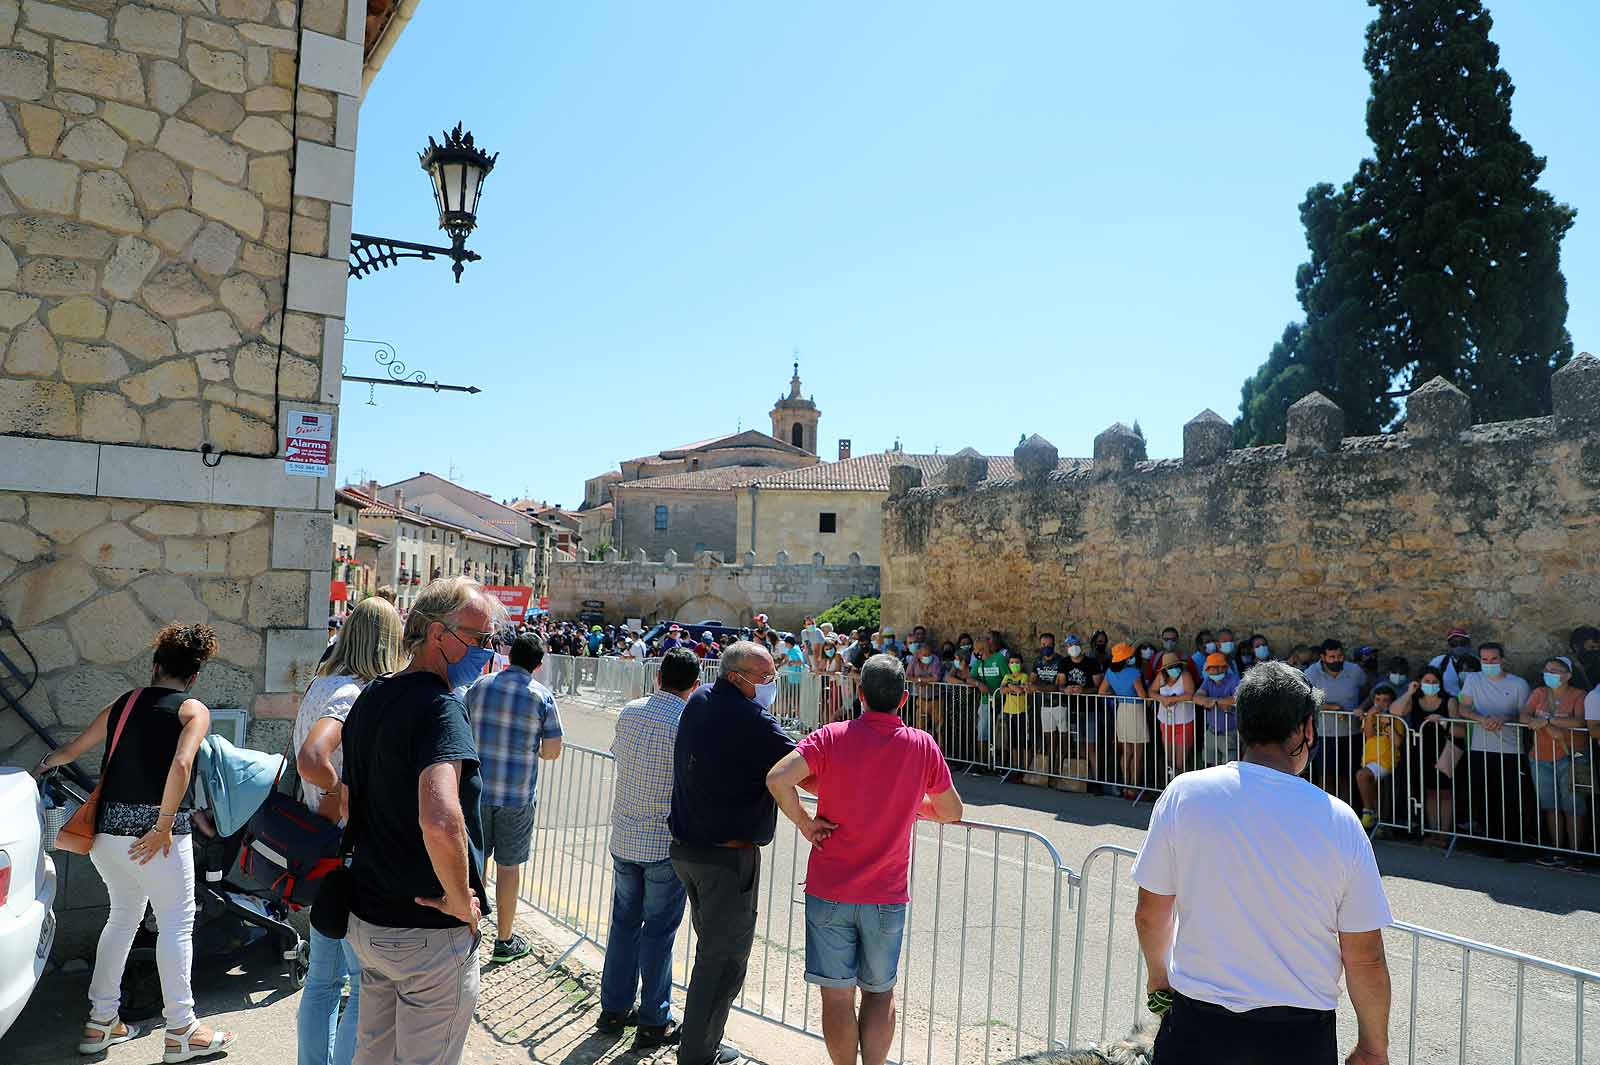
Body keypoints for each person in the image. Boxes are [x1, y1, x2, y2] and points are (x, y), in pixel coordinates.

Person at [1132, 661, 1393, 1065]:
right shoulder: (1340, 819)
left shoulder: (1184, 794)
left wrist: (1158, 980)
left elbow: (1151, 914)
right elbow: (1365, 956)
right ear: (1307, 730)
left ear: (1242, 723)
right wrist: (1374, 1048)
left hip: (1196, 1022)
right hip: (1296, 1033)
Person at [34, 624, 237, 1062]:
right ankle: (182, 1028)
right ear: (194, 675)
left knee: (122, 918)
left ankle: (101, 1021)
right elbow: (182, 764)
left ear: (156, 665)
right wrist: (164, 824)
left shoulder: (124, 703)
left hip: (107, 835)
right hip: (157, 839)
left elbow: (72, 750)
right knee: (177, 924)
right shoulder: (192, 710)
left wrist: (41, 767)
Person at [766, 654, 963, 1065]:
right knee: (880, 992)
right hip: (886, 895)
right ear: (904, 699)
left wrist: (804, 822)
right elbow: (951, 810)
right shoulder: (921, 745)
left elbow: (778, 778)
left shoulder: (831, 737)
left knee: (837, 998)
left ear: (859, 695)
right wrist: (914, 806)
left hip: (830, 888)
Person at [341, 577, 500, 1065]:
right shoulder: (441, 707)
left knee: (373, 1055)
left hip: (370, 917)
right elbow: (441, 819)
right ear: (437, 635)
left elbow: (349, 801)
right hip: (427, 931)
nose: (486, 652)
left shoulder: (373, 695)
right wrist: (459, 901)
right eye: (478, 640)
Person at [669, 641, 798, 1065]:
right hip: (725, 858)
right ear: (736, 676)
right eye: (763, 678)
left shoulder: (701, 699)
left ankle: (699, 1041)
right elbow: (804, 763)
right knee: (722, 962)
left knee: (711, 952)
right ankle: (698, 1053)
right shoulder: (750, 718)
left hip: (690, 851)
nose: (769, 685)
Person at [295, 597, 405, 1065]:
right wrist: (338, 790)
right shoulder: (352, 695)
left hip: (322, 846)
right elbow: (313, 758)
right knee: (363, 982)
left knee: (322, 979)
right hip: (347, 847)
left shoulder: (321, 685)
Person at [599, 648, 700, 1049]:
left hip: (625, 835)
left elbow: (618, 757)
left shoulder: (629, 711)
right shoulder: (687, 722)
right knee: (658, 931)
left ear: (658, 676)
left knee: (623, 924)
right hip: (662, 841)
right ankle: (654, 1017)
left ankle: (614, 1007)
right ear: (694, 687)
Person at [462, 631, 564, 964]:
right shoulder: (541, 696)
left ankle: (467, 930)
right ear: (539, 663)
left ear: (509, 654)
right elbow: (552, 752)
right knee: (509, 867)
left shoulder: (480, 686)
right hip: (516, 796)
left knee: (475, 865)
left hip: (476, 792)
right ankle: (504, 940)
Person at [1457, 641, 1531, 856]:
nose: (1489, 663)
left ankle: (1514, 845)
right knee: (1484, 796)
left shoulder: (1519, 684)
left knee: (1511, 798)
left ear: (1503, 659)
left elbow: (1523, 715)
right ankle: (1491, 844)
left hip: (1511, 750)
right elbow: (1464, 706)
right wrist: (1481, 719)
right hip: (1480, 747)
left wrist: (1504, 719)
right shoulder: (1472, 679)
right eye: (1485, 660)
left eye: (1494, 659)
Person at [1520, 657, 1588, 866]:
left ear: (1568, 675)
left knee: (1574, 806)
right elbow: (1524, 715)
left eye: (1556, 670)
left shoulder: (1579, 695)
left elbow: (1579, 720)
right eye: (1547, 669)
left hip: (1572, 757)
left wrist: (1547, 720)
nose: (1550, 673)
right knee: (1550, 805)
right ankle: (1555, 849)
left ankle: (1575, 852)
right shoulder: (1539, 693)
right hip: (1540, 757)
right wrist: (1545, 726)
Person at [1302, 639, 1367, 806]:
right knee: (1326, 775)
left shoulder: (1354, 671)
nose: (1337, 660)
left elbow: (1368, 692)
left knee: (1347, 775)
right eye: (1332, 657)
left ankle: (1347, 811)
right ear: (1323, 657)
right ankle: (1327, 810)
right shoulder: (1311, 673)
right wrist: (1331, 707)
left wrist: (1361, 707)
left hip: (1351, 733)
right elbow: (1304, 699)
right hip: (1324, 734)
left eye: (1339, 656)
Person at [1354, 685, 1405, 836]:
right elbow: (1368, 735)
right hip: (1370, 758)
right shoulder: (1371, 715)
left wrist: (1387, 723)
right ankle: (1381, 824)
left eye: (1385, 701)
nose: (1380, 704)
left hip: (1386, 759)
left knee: (1362, 776)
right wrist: (1369, 717)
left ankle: (1368, 812)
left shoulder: (1395, 717)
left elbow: (1397, 742)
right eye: (1377, 700)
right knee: (1377, 790)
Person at [1101, 642, 1149, 799]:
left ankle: (1125, 785)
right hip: (1136, 709)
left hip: (1121, 708)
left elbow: (1102, 692)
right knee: (1138, 752)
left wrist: (1117, 695)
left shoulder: (1109, 672)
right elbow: (1142, 694)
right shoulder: (1133, 672)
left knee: (1126, 751)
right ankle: (1134, 788)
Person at [1153, 651, 1198, 783]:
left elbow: (1190, 694)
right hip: (1166, 723)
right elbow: (1151, 691)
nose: (1174, 669)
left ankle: (1183, 788)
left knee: (1180, 762)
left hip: (1184, 722)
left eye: (1176, 666)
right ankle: (1170, 787)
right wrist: (1161, 698)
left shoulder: (1185, 675)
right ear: (1165, 669)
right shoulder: (1161, 677)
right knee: (1170, 759)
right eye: (1171, 667)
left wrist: (1173, 699)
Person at [1192, 651, 1240, 767]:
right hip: (1211, 731)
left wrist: (1215, 701)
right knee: (1211, 763)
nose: (1217, 670)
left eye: (1220, 667)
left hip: (1230, 732)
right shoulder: (1208, 681)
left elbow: (1238, 698)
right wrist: (1207, 700)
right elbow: (1196, 697)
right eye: (1213, 668)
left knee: (1230, 766)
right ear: (1208, 670)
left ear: (1225, 668)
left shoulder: (1234, 679)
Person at [1427, 627, 1479, 698]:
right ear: (1448, 646)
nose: (1458, 646)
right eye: (1454, 643)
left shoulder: (1478, 662)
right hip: (1447, 704)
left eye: (1462, 643)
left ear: (1468, 645)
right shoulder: (1439, 661)